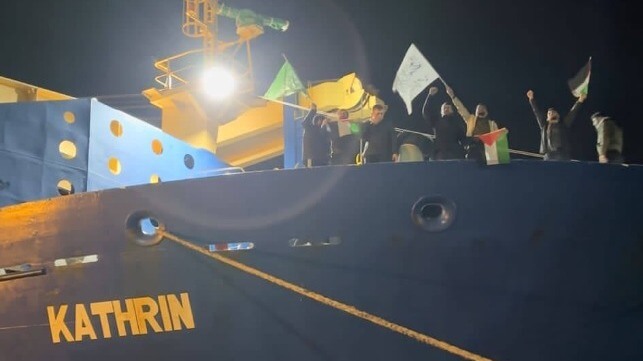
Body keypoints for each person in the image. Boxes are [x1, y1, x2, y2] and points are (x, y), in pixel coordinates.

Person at [526, 90, 586, 160]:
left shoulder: (563, 125)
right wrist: (531, 99)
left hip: (562, 154)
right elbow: (536, 112)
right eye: (549, 113)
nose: (550, 114)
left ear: (558, 115)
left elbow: (573, 112)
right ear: (547, 117)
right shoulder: (544, 126)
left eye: (552, 112)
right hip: (549, 154)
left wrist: (580, 100)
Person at [445, 86, 498, 161]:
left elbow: (497, 139)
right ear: (475, 112)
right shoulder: (470, 119)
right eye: (478, 109)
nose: (480, 110)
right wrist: (453, 96)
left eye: (482, 108)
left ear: (486, 111)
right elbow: (461, 108)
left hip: (487, 150)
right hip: (473, 147)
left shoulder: (492, 124)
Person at [421, 86, 465, 160]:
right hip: (440, 154)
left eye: (448, 107)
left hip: (454, 154)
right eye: (444, 108)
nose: (446, 109)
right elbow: (426, 112)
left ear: (452, 110)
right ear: (441, 111)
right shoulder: (436, 120)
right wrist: (430, 96)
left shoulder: (457, 122)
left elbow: (462, 137)